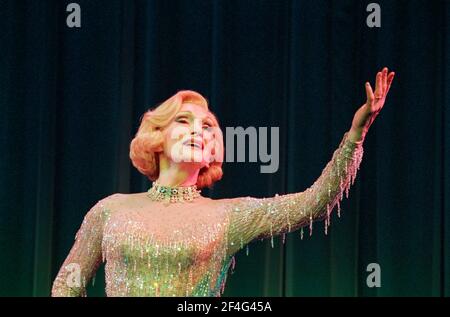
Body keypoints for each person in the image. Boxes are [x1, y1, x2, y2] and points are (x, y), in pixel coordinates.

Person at [52, 68, 395, 296]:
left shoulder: (228, 216)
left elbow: (312, 203)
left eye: (207, 127)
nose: (197, 131)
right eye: (183, 121)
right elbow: (66, 285)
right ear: (157, 136)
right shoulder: (110, 210)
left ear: (213, 148)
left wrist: (356, 134)